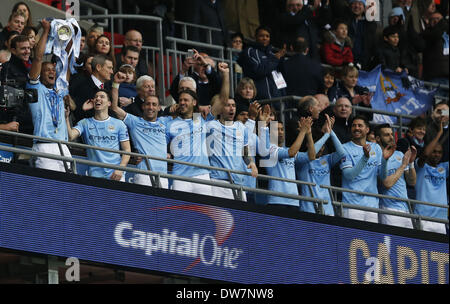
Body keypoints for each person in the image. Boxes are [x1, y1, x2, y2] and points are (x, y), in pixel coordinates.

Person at [165, 62, 228, 195]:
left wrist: (226, 75)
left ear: (194, 102)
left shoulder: (202, 119)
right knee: (181, 214)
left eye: (186, 100)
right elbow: (161, 146)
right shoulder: (170, 123)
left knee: (204, 213)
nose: (182, 102)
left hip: (202, 175)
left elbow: (222, 101)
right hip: (179, 176)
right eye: (180, 100)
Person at [24, 19, 73, 172]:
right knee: (47, 190)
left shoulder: (60, 90)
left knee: (68, 190)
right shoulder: (35, 89)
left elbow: (68, 59)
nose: (52, 72)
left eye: (53, 70)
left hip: (63, 147)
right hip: (44, 145)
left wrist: (68, 35)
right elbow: (38, 58)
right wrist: (46, 31)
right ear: (40, 74)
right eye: (47, 70)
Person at [111, 71, 170, 189]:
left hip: (163, 175)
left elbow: (188, 118)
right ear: (143, 106)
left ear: (159, 107)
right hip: (144, 174)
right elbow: (115, 108)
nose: (151, 107)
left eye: (154, 104)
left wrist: (170, 154)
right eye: (148, 104)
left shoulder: (165, 122)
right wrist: (116, 84)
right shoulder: (135, 122)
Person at [207, 66, 258, 200]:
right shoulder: (210, 126)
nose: (231, 108)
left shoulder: (241, 128)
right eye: (227, 105)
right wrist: (226, 75)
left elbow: (245, 152)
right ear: (220, 108)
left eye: (234, 105)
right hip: (218, 181)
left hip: (239, 182)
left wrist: (251, 162)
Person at [66, 90, 131, 181]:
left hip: (115, 175)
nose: (98, 98)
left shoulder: (119, 124)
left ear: (109, 103)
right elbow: (70, 136)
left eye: (102, 96)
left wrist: (120, 169)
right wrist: (66, 117)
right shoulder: (85, 123)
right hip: (94, 175)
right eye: (96, 97)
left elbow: (127, 150)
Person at [339, 115, 394, 223]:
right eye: (354, 126)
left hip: (372, 205)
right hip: (352, 204)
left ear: (367, 129)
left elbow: (382, 177)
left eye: (360, 125)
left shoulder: (376, 147)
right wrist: (365, 158)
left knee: (370, 240)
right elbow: (349, 176)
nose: (356, 128)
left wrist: (385, 161)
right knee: (354, 240)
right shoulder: (345, 148)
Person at [297, 114, 346, 216]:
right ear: (308, 145)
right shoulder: (302, 159)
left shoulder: (326, 159)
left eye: (323, 146)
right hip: (308, 206)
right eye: (319, 145)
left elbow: (342, 152)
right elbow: (312, 153)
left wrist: (330, 131)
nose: (321, 149)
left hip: (327, 206)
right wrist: (326, 135)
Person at [265, 116, 315, 210]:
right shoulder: (269, 149)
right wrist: (302, 132)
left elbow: (311, 156)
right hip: (277, 200)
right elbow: (291, 153)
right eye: (276, 129)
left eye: (282, 129)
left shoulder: (287, 150)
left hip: (294, 200)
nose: (280, 132)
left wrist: (308, 134)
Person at [375, 124, 417, 229]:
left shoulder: (399, 154)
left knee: (407, 245)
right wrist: (403, 165)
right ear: (378, 138)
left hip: (405, 208)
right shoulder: (375, 156)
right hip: (388, 208)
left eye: (391, 134)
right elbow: (387, 183)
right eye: (386, 135)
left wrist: (410, 163)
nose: (391, 137)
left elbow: (412, 182)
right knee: (391, 244)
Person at [414, 121, 448, 234]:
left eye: (439, 152)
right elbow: (425, 154)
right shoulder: (420, 166)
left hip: (441, 219)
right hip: (422, 217)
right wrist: (440, 133)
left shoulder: (444, 168)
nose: (437, 154)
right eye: (434, 152)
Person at [237, 25, 286, 100]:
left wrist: (284, 100)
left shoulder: (273, 54)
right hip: (260, 100)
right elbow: (257, 71)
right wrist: (275, 60)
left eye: (267, 36)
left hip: (277, 102)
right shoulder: (249, 51)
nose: (265, 38)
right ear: (255, 37)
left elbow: (280, 80)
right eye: (261, 36)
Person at [169, 49, 221, 116]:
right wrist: (183, 70)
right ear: (195, 66)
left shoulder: (215, 83)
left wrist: (206, 64)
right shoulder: (190, 81)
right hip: (193, 117)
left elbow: (220, 86)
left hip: (210, 117)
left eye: (205, 65)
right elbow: (175, 91)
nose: (203, 68)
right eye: (200, 65)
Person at [69, 54, 114, 123]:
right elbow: (76, 113)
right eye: (109, 68)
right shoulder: (81, 87)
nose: (112, 72)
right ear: (98, 67)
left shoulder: (110, 86)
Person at [421, 12, 448, 94]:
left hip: (447, 78)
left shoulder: (447, 34)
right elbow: (435, 34)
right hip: (434, 79)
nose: (436, 21)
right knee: (436, 105)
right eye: (433, 19)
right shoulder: (427, 35)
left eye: (438, 19)